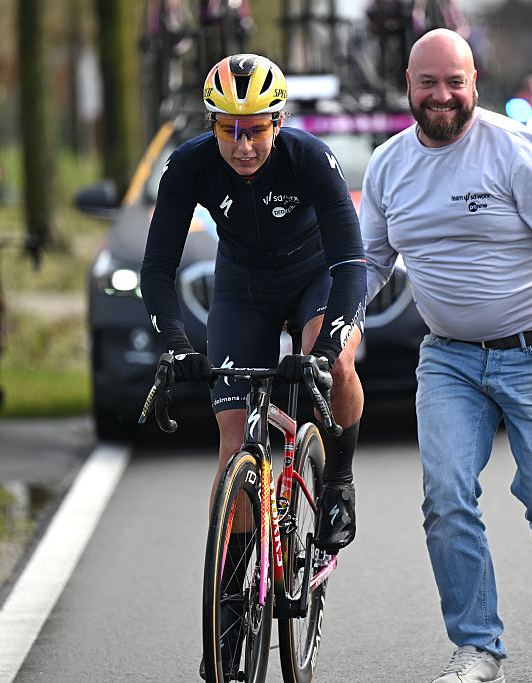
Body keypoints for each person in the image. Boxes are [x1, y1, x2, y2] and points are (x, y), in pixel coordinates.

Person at [361, 29, 532, 682]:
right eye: (428, 82)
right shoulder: (389, 166)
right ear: (409, 88)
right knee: (446, 497)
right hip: (448, 360)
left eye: (455, 81)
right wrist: (342, 322)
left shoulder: (514, 152)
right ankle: (479, 647)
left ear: (475, 83)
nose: (441, 95)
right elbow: (367, 260)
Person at [140, 54, 366, 557]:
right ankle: (236, 587)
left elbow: (352, 264)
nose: (242, 147)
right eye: (228, 131)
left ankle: (338, 483)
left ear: (279, 121)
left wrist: (327, 351)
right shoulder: (190, 165)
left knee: (337, 361)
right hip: (244, 286)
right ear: (211, 124)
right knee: (233, 434)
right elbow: (157, 269)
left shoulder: (309, 159)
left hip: (315, 277)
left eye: (256, 131)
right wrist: (176, 342)